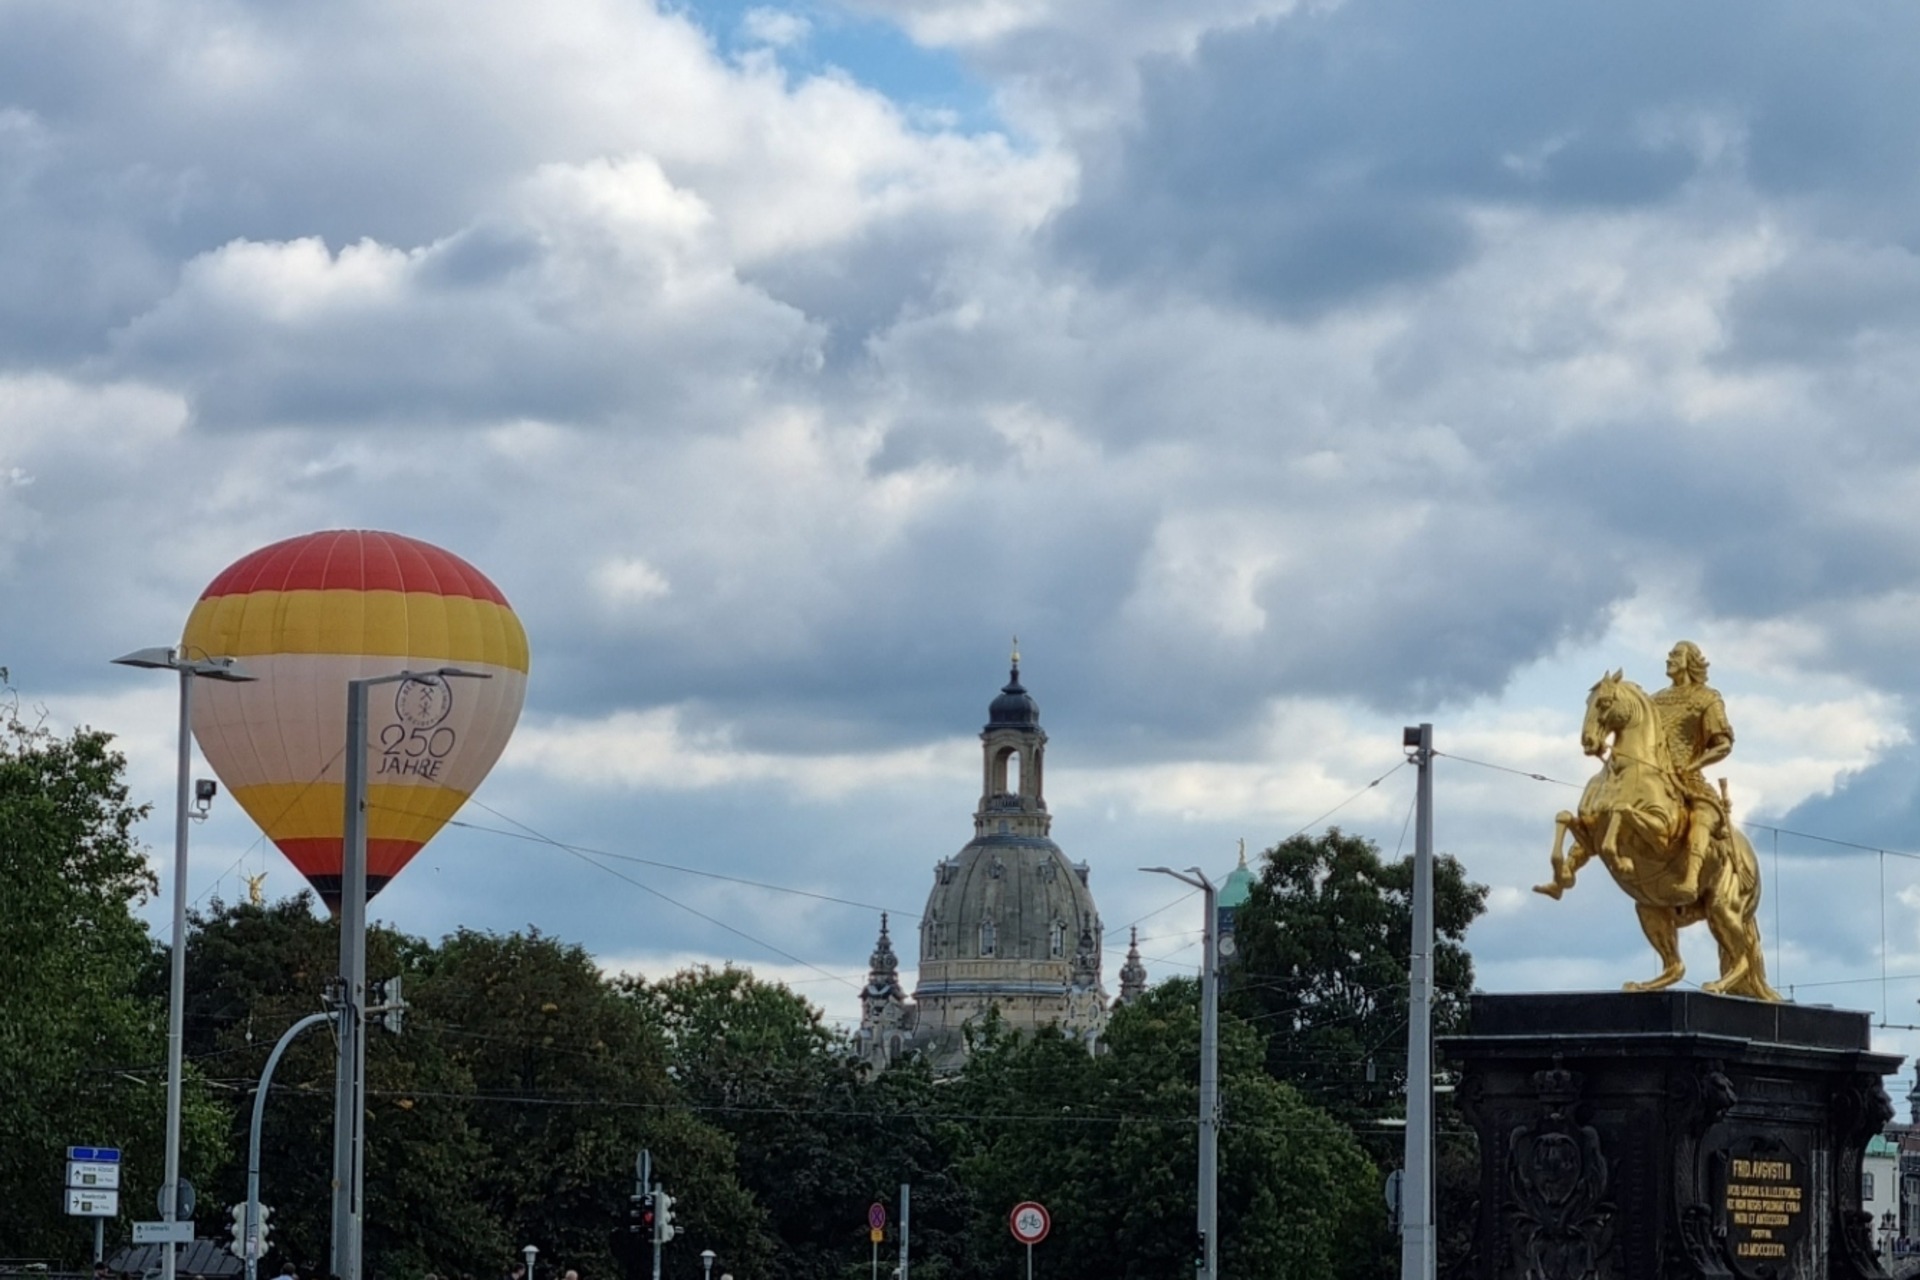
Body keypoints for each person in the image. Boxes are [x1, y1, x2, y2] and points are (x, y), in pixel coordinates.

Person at [1649, 640, 1733, 897]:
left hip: (1688, 779)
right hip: (1654, 777)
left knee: (1701, 817)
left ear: (1690, 661)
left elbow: (1723, 744)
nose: (1669, 659)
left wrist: (1692, 765)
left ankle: (1691, 879)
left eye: (1675, 655)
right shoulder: (1654, 700)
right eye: (1670, 654)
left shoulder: (1707, 698)